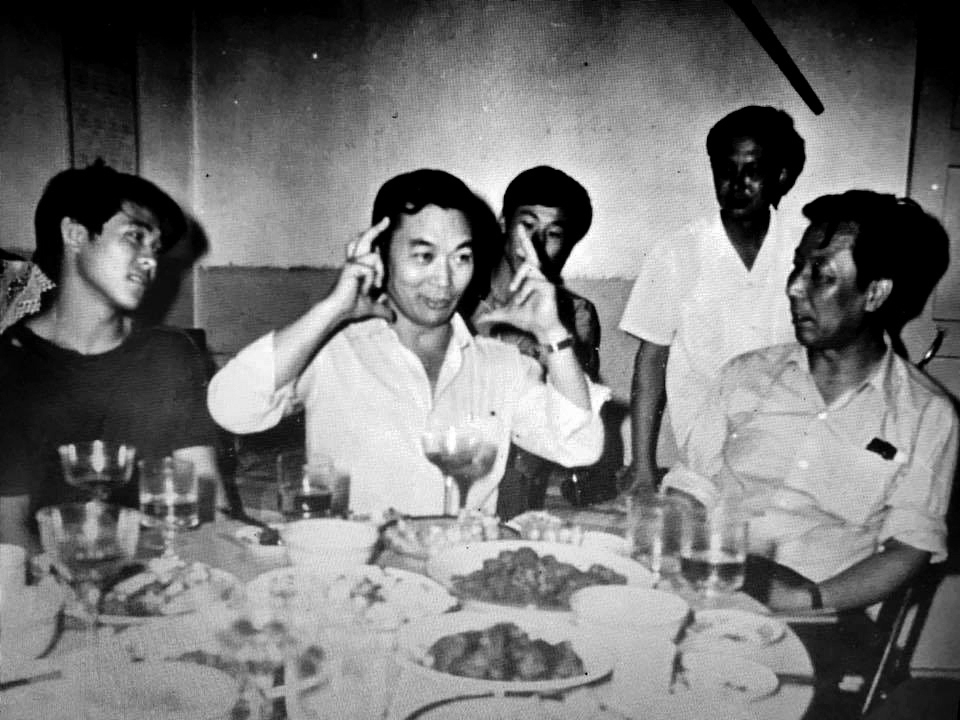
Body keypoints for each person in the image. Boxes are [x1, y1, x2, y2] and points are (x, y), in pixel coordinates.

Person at [207, 169, 608, 518]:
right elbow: (231, 408)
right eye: (423, 256)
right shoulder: (334, 351)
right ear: (381, 255)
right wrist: (331, 309)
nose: (444, 280)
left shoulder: (501, 365)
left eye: (461, 257)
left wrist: (552, 333)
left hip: (458, 568)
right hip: (356, 571)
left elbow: (580, 446)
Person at [663, 190, 957, 613]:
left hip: (824, 610)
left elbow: (910, 546)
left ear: (875, 293)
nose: (795, 287)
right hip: (714, 587)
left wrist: (806, 600)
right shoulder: (745, 375)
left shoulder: (926, 414)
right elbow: (689, 487)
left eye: (821, 275)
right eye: (797, 266)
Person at [0, 162, 222, 552]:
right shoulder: (10, 365)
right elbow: (9, 532)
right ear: (74, 234)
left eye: (156, 248)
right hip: (48, 580)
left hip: (162, 576)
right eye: (135, 237)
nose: (151, 261)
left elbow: (209, 505)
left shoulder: (171, 356)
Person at [620, 106, 806, 492]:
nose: (737, 184)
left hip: (790, 435)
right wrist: (641, 465)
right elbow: (651, 361)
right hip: (709, 446)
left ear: (781, 176)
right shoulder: (678, 252)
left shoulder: (805, 250)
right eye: (725, 170)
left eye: (752, 170)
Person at [469, 166, 603, 518]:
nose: (536, 244)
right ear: (504, 222)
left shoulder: (574, 314)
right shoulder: (458, 295)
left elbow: (570, 418)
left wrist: (550, 332)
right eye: (527, 225)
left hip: (524, 465)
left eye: (553, 233)